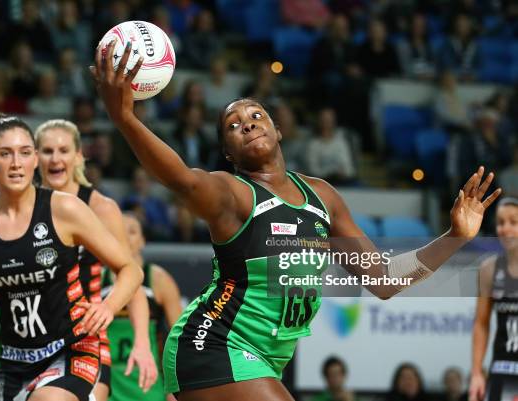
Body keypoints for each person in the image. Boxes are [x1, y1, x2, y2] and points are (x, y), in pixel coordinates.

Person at [92, 40, 501, 401]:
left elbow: (384, 280)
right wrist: (126, 119)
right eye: (233, 126)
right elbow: (180, 179)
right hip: (213, 343)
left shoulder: (322, 196)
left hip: (267, 357)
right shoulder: (233, 194)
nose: (247, 123)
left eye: (256, 115)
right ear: (230, 155)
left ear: (278, 130)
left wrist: (455, 237)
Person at [0, 114, 143, 401]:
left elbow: (131, 269)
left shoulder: (66, 209)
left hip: (72, 349)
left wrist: (108, 307)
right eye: (5, 154)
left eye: (24, 153)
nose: (15, 163)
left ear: (34, 159)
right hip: (14, 361)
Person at [34, 119, 159, 401]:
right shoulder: (22, 205)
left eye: (64, 150)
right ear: (35, 156)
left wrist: (142, 343)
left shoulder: (101, 208)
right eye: (47, 150)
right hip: (28, 344)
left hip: (83, 340)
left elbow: (132, 279)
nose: (55, 158)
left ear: (79, 156)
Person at [104, 213, 183, 401]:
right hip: (107, 388)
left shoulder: (159, 279)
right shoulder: (97, 278)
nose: (124, 235)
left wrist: (174, 389)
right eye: (119, 230)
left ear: (142, 241)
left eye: (131, 231)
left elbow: (180, 339)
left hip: (149, 388)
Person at [469, 197, 518, 401]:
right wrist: (477, 372)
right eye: (500, 222)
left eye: (513, 222)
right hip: (502, 367)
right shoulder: (488, 269)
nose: (505, 228)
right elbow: (481, 323)